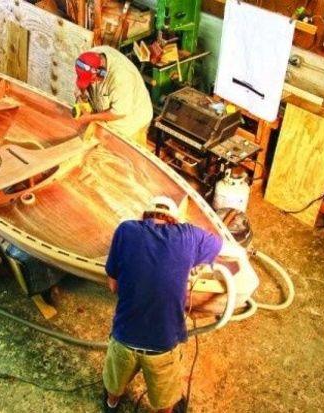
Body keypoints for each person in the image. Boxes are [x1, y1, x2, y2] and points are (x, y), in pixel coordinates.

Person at [102, 195, 223, 413]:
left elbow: (113, 287)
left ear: (144, 217)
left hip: (124, 338)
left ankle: (111, 404)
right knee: (165, 401)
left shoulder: (126, 230)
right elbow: (217, 243)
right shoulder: (189, 235)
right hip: (163, 344)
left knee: (114, 383)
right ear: (174, 221)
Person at [73, 46, 153, 147]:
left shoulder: (121, 77)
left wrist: (89, 117)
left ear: (101, 72)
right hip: (107, 117)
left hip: (131, 121)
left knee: (125, 156)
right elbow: (81, 82)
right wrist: (82, 97)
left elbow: (119, 113)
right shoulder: (87, 59)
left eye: (92, 81)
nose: (91, 83)